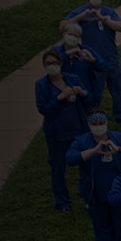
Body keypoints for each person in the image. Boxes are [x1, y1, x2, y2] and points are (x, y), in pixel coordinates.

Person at [64, 113, 121, 241]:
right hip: (95, 194)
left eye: (102, 122)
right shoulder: (82, 141)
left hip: (119, 193)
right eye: (95, 123)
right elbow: (70, 158)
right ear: (89, 125)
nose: (99, 126)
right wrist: (93, 151)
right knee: (102, 228)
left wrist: (118, 150)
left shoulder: (119, 138)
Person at [65, 0, 121, 122]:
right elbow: (63, 26)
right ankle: (93, 117)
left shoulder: (109, 12)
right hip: (92, 61)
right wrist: (80, 17)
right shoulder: (81, 12)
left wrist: (104, 20)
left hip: (111, 58)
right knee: (94, 92)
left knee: (117, 90)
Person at [36, 49, 90, 212]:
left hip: (79, 130)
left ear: (60, 64)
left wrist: (83, 93)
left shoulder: (72, 79)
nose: (52, 66)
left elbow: (89, 101)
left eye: (54, 63)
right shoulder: (41, 85)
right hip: (57, 135)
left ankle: (88, 197)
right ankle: (62, 201)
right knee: (58, 169)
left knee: (86, 166)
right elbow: (44, 109)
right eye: (48, 64)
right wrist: (59, 98)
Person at [52, 21, 106, 98]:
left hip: (84, 92)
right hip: (62, 92)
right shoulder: (56, 51)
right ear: (64, 33)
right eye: (70, 34)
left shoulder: (86, 50)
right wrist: (66, 55)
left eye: (75, 36)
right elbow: (53, 67)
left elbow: (104, 66)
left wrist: (93, 60)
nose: (72, 37)